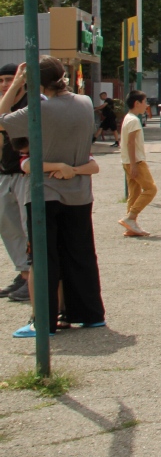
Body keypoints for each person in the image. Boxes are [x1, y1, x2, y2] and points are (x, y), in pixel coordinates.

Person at [0, 57, 105, 337]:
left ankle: (43, 320)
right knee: (80, 254)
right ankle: (89, 313)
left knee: (44, 259)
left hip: (45, 191)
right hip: (80, 191)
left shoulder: (38, 110)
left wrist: (17, 85)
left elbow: (2, 120)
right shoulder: (84, 103)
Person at [0, 64, 29, 303]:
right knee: (9, 227)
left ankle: (31, 277)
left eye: (9, 79)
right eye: (1, 81)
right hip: (4, 174)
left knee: (27, 227)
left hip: (23, 174)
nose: (4, 85)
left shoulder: (28, 103)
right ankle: (23, 273)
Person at [119, 90, 157, 237]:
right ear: (137, 103)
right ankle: (130, 217)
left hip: (127, 161)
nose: (146, 105)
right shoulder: (133, 120)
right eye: (145, 102)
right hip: (135, 161)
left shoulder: (128, 118)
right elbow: (130, 143)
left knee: (134, 193)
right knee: (150, 189)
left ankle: (131, 226)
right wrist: (134, 164)